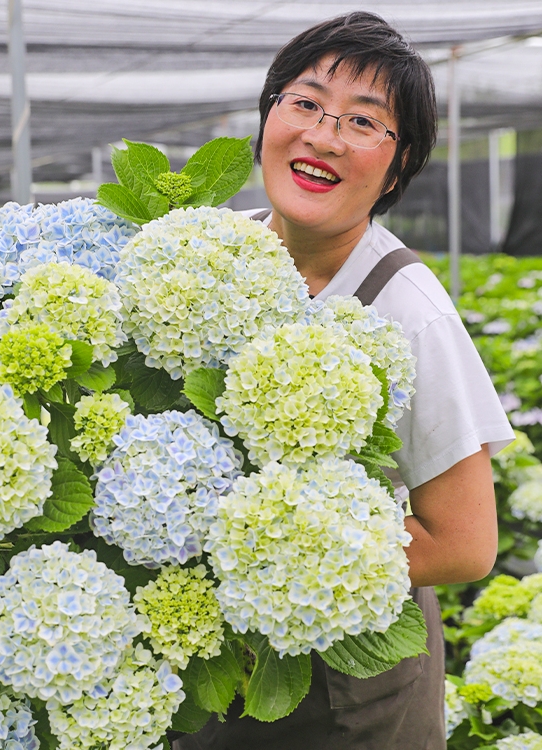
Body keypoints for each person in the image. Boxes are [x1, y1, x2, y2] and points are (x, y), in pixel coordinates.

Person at [174, 11, 514, 750]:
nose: (323, 136)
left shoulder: (408, 310)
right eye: (304, 103)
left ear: (399, 166)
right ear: (268, 116)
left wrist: (278, 567)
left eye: (364, 122)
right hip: (215, 667)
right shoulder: (212, 261)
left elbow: (465, 543)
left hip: (345, 695)